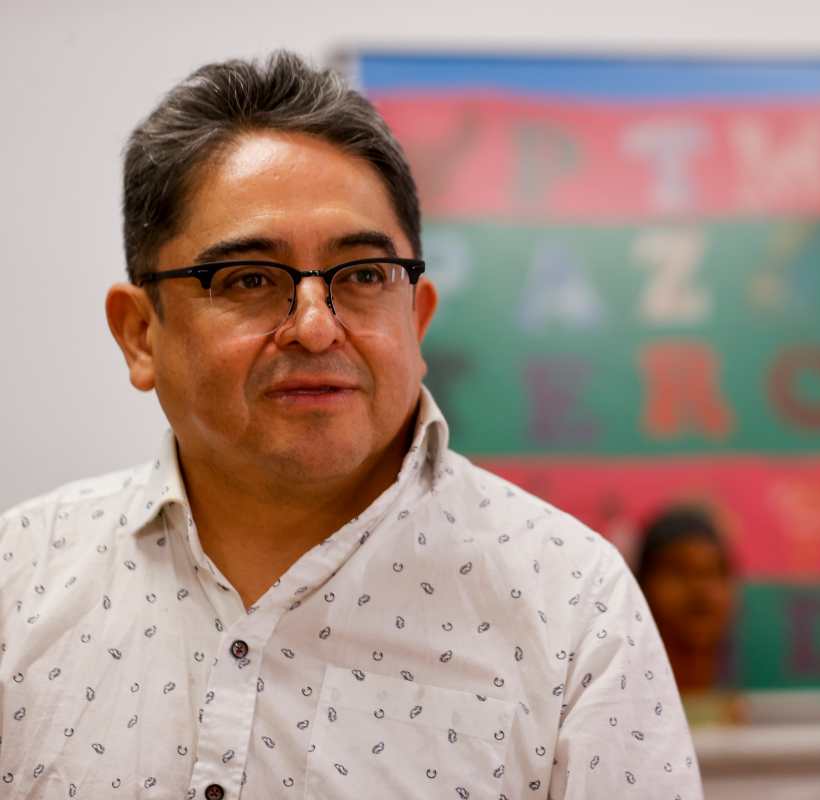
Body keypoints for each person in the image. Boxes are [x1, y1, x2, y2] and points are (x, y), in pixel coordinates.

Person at [0, 52, 701, 800]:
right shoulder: (20, 577)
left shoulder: (574, 605)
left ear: (416, 320)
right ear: (141, 334)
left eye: (364, 276)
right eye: (249, 279)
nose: (314, 327)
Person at [634, 507, 741, 726]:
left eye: (713, 572)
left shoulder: (750, 719)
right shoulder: (618, 719)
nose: (700, 589)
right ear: (641, 587)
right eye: (678, 571)